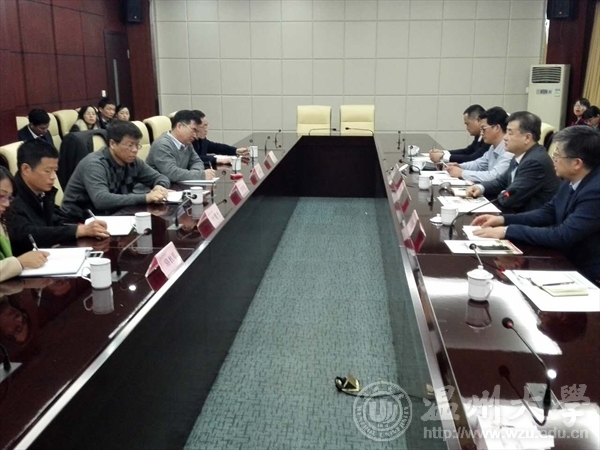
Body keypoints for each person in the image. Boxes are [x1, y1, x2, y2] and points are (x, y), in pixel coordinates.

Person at [472, 126, 600, 284]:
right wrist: (503, 220)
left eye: (557, 155)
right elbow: (548, 212)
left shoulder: (595, 192)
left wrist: (507, 231)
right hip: (564, 260)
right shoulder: (572, 179)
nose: (553, 159)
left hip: (587, 274)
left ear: (577, 163)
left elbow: (562, 235)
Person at [5, 140, 109, 256]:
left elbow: (54, 219)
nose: (53, 177)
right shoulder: (9, 198)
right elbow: (26, 234)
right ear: (26, 169)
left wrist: (82, 226)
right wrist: (77, 231)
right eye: (47, 171)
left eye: (55, 171)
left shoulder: (41, 193)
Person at [60, 121, 170, 222]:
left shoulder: (133, 161)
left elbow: (160, 177)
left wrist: (159, 186)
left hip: (113, 216)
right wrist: (145, 197)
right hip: (79, 221)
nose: (135, 150)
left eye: (137, 145)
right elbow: (101, 200)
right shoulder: (95, 164)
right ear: (112, 144)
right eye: (130, 145)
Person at [466, 111, 560, 213]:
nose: (505, 137)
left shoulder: (534, 162)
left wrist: (504, 192)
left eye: (510, 133)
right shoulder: (520, 155)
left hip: (527, 218)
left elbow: (509, 199)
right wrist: (480, 187)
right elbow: (501, 182)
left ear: (527, 138)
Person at [0, 167, 49, 283]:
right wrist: (20, 262)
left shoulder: (2, 221)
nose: (7, 204)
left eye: (9, 197)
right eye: (1, 196)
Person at [445, 107, 513, 183]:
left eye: (484, 129)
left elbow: (494, 176)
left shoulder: (509, 151)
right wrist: (460, 166)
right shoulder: (493, 147)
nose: (481, 133)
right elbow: (478, 164)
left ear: (497, 128)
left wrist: (462, 173)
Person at [146, 110, 215, 182]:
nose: (195, 136)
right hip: (156, 187)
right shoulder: (162, 145)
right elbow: (172, 173)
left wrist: (195, 173)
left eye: (197, 132)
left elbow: (197, 161)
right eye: (193, 130)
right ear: (179, 126)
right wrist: (200, 175)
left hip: (175, 186)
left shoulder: (187, 143)